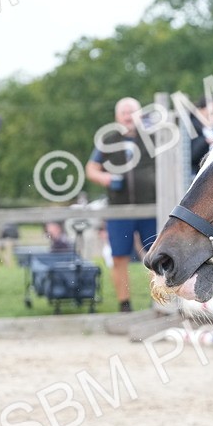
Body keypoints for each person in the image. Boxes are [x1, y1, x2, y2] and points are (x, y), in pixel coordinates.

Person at [85, 97, 158, 313]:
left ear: (140, 115)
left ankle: (159, 300)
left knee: (157, 255)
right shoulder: (108, 140)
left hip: (150, 207)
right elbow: (91, 169)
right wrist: (105, 178)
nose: (128, 116)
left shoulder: (153, 137)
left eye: (132, 112)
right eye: (124, 113)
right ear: (117, 117)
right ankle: (124, 304)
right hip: (119, 209)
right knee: (119, 256)